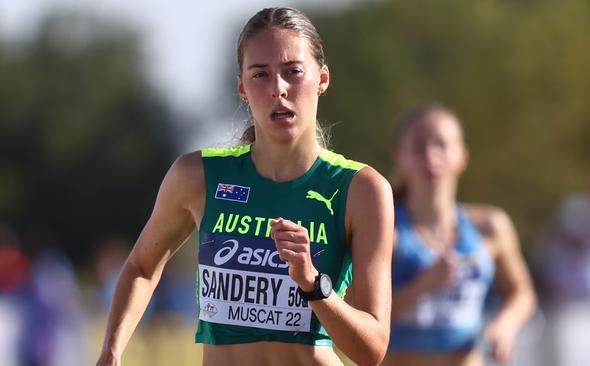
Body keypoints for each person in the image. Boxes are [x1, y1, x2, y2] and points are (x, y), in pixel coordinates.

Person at [96, 7, 393, 366]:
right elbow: (142, 268)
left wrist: (313, 284)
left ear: (322, 79)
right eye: (260, 75)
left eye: (293, 72)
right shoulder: (198, 175)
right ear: (241, 87)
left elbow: (372, 348)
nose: (278, 89)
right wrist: (111, 351)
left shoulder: (361, 189)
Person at [383, 105, 536, 366]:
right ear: (400, 157)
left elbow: (521, 292)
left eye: (441, 145)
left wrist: (504, 326)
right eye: (419, 147)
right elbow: (358, 315)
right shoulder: (386, 230)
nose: (431, 156)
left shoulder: (490, 227)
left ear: (462, 155)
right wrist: (422, 287)